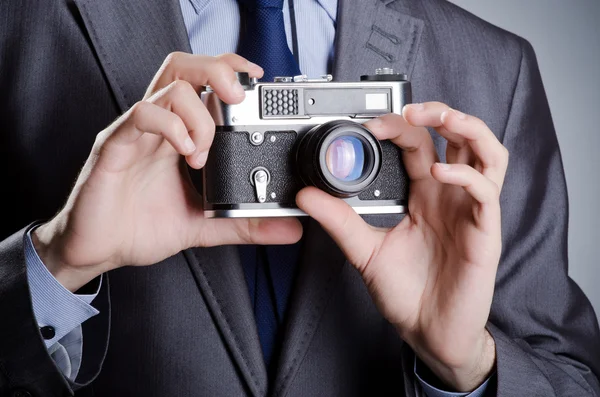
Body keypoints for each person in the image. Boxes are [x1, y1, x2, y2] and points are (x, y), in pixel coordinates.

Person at [0, 0, 598, 396]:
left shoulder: (495, 68)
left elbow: (573, 377)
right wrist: (56, 264)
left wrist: (465, 366)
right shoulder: (19, 28)